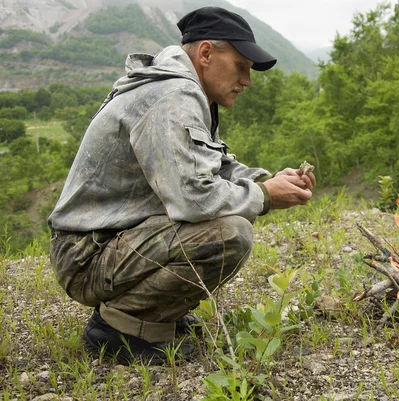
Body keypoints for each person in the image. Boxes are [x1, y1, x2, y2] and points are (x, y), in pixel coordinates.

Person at [47, 6, 316, 364]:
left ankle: (151, 312)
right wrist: (265, 196)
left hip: (103, 243)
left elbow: (210, 164)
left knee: (224, 225)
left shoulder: (184, 90)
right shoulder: (172, 97)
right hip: (86, 255)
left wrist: (264, 180)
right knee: (229, 233)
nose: (247, 81)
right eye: (242, 66)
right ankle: (120, 328)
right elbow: (194, 198)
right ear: (206, 53)